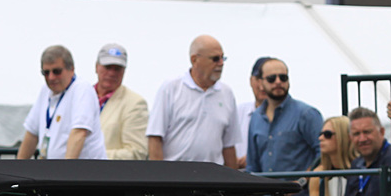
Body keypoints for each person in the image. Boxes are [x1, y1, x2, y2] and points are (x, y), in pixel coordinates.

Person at [246, 58, 324, 196]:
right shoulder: (255, 118)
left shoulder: (307, 114)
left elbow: (324, 155)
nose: (278, 82)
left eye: (283, 77)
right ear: (260, 83)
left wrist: (301, 182)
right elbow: (252, 167)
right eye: (271, 78)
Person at [147, 35, 242, 166]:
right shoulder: (171, 88)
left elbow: (229, 146)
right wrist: (160, 180)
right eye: (215, 59)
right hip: (176, 177)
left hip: (212, 179)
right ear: (194, 60)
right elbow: (155, 138)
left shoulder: (226, 93)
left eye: (222, 58)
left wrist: (233, 184)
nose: (221, 63)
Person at [18, 45, 106, 160]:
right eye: (46, 73)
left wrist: (64, 173)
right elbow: (31, 134)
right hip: (58, 171)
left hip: (84, 173)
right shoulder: (46, 90)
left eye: (56, 71)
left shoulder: (82, 89)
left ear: (71, 69)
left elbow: (79, 133)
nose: (51, 77)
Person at [92, 43, 150, 161]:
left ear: (124, 71)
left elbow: (137, 152)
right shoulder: (81, 97)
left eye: (117, 69)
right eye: (108, 67)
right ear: (96, 67)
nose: (112, 73)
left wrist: (92, 155)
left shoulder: (135, 103)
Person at [298, 115, 354, 196]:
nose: (321, 138)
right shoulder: (319, 174)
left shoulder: (359, 171)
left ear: (343, 137)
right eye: (320, 134)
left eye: (327, 134)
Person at [235, 57, 270, 169]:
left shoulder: (293, 115)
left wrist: (251, 159)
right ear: (251, 81)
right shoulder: (237, 112)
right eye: (258, 79)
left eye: (268, 79)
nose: (261, 86)